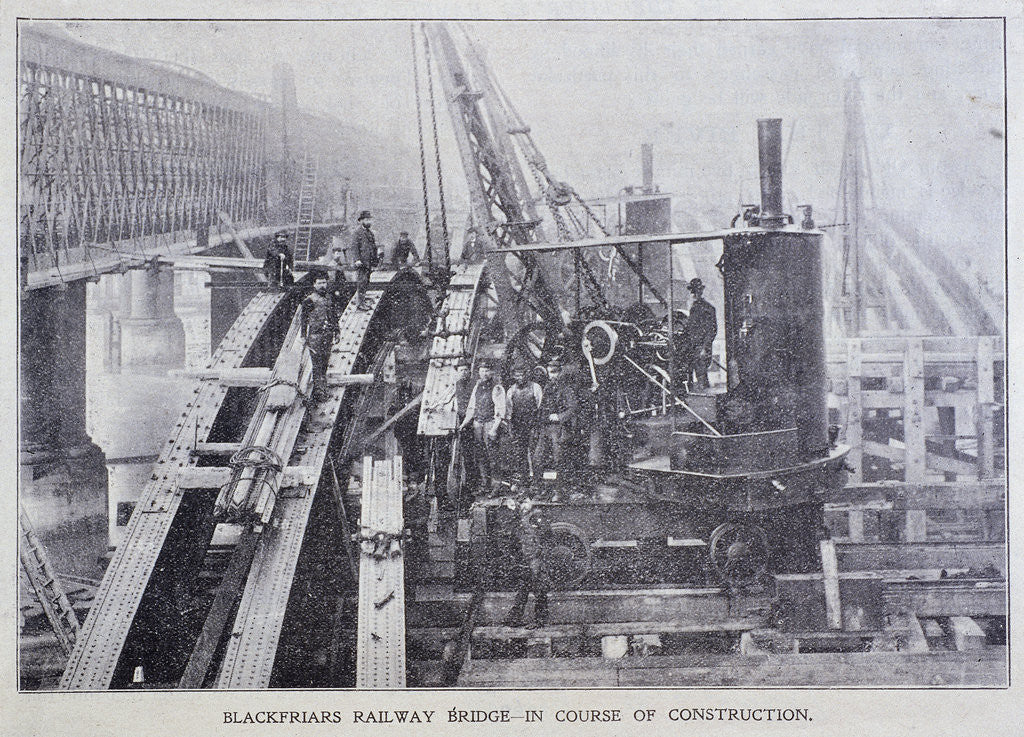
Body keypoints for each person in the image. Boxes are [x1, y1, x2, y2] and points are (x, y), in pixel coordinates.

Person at [459, 360, 506, 495]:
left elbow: (500, 410)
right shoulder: (477, 387)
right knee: (481, 456)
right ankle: (485, 485)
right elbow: (471, 408)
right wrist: (463, 424)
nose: (484, 373)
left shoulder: (497, 388)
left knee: (493, 457)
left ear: (491, 372)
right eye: (481, 370)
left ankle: (496, 486)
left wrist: (494, 429)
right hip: (478, 424)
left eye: (486, 371)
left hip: (490, 423)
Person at [504, 499, 550, 628]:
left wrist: (539, 551)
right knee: (523, 588)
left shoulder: (537, 516)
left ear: (532, 503)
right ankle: (514, 618)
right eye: (521, 503)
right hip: (525, 558)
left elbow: (547, 534)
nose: (523, 506)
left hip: (535, 558)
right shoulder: (520, 517)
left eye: (526, 502)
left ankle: (539, 620)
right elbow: (514, 537)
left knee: (539, 589)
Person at [533, 357, 579, 479]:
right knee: (537, 458)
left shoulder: (567, 389)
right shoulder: (548, 387)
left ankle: (559, 492)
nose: (551, 376)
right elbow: (542, 406)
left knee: (559, 460)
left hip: (559, 429)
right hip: (546, 427)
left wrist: (559, 416)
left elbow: (573, 408)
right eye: (549, 373)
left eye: (554, 372)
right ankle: (539, 489)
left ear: (560, 372)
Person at [301, 272, 337, 401]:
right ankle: (319, 392)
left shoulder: (328, 298)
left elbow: (333, 316)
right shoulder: (309, 300)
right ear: (314, 284)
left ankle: (323, 388)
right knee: (317, 365)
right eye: (320, 283)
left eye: (324, 283)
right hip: (315, 337)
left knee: (325, 363)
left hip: (327, 335)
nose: (323, 285)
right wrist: (303, 336)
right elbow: (303, 319)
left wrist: (337, 331)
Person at [505, 364, 543, 484]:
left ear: (527, 374)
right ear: (514, 376)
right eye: (517, 375)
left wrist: (538, 426)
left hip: (532, 426)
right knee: (520, 455)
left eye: (522, 374)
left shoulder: (535, 387)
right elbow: (509, 411)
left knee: (535, 456)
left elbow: (540, 407)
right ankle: (524, 482)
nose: (520, 377)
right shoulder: (511, 390)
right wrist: (511, 427)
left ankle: (537, 483)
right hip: (518, 427)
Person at [685, 277, 717, 390]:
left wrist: (705, 348)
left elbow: (711, 331)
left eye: (696, 291)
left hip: (701, 347)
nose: (693, 294)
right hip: (691, 347)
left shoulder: (708, 309)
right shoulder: (692, 308)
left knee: (701, 376)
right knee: (690, 378)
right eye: (692, 291)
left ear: (701, 291)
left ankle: (704, 400)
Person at [351, 210, 381, 309]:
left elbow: (373, 247)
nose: (369, 222)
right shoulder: (357, 232)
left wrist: (375, 260)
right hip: (361, 262)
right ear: (361, 221)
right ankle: (360, 304)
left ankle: (363, 301)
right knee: (361, 282)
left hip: (368, 262)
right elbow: (354, 247)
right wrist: (357, 259)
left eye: (370, 220)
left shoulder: (370, 233)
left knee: (366, 281)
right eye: (367, 220)